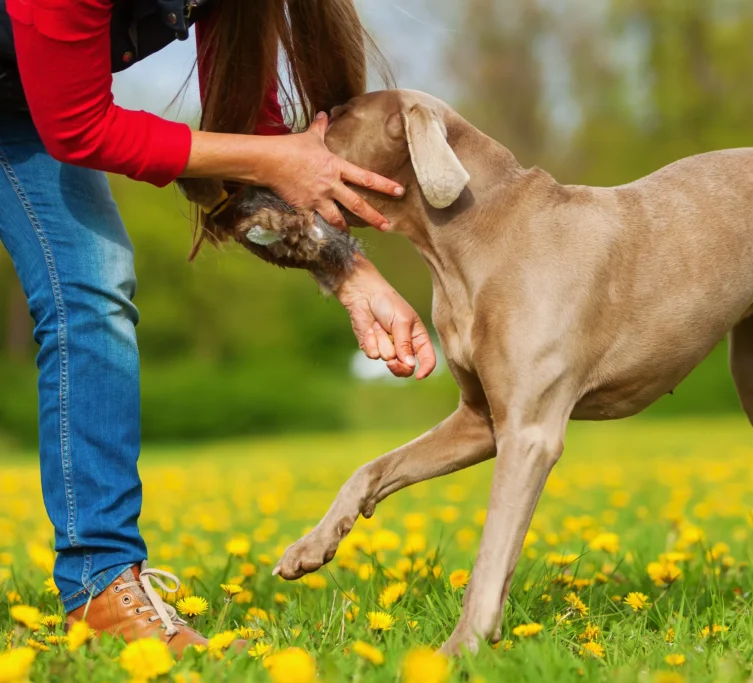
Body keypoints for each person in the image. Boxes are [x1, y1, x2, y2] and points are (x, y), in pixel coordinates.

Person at [0, 0, 435, 652]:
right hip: (53, 118)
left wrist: (351, 276)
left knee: (93, 278)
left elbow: (247, 164)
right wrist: (272, 158)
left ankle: (102, 588)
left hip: (22, 111)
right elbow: (82, 130)